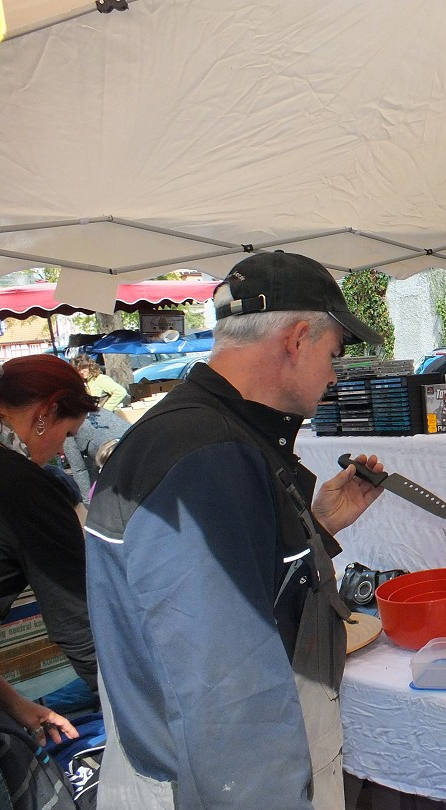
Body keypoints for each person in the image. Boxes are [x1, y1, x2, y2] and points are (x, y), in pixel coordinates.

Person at [85, 251, 386, 810]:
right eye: (332, 353)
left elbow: (227, 589)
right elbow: (227, 691)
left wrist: (315, 526)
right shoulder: (206, 460)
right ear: (297, 339)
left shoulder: (201, 434)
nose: (332, 374)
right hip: (210, 783)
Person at [0, 354, 100, 730]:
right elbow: (80, 625)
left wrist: (14, 704)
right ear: (46, 413)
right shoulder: (24, 488)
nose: (62, 451)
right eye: (68, 434)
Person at [61, 407, 129, 504]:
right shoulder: (99, 410)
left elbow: (80, 470)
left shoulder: (68, 430)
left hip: (112, 454)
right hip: (133, 442)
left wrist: (87, 504)